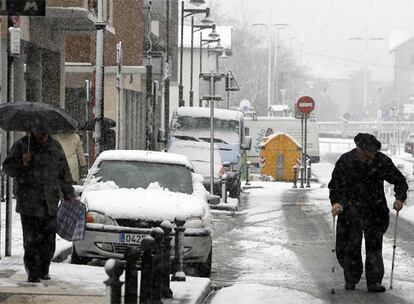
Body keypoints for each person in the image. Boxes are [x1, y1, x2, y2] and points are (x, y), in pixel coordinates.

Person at [328, 133, 408, 293]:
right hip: (350, 210)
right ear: (359, 149)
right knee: (350, 246)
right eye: (367, 153)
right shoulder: (346, 161)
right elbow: (335, 184)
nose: (371, 156)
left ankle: (374, 281)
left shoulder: (381, 160)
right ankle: (351, 278)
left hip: (375, 210)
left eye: (373, 153)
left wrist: (400, 198)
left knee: (374, 248)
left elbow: (400, 180)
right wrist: (336, 202)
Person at [2, 128, 75, 283]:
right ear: (33, 131)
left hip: (50, 202)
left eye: (45, 133)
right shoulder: (22, 145)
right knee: (31, 241)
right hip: (29, 203)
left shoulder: (55, 147)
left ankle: (44, 269)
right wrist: (22, 162)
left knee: (48, 242)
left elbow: (64, 173)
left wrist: (68, 194)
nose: (42, 136)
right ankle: (33, 273)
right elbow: (7, 168)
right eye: (39, 133)